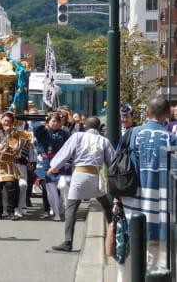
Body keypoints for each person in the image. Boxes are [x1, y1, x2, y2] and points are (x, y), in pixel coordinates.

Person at [117, 97, 177, 282]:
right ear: (168, 115)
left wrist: (116, 200)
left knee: (128, 256)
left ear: (147, 113)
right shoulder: (172, 140)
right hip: (162, 212)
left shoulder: (131, 134)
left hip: (131, 206)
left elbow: (118, 169)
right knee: (157, 261)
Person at [49, 116, 115, 252]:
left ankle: (68, 241)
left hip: (80, 175)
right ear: (99, 128)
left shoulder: (78, 136)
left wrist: (54, 167)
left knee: (72, 208)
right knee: (106, 206)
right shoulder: (104, 140)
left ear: (85, 127)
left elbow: (65, 153)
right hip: (96, 176)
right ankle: (114, 232)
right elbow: (112, 162)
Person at [0, 112, 32, 220]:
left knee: (10, 185)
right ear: (0, 120)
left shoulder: (15, 132)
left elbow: (19, 145)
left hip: (8, 163)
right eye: (5, 120)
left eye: (9, 122)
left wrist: (9, 135)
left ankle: (10, 210)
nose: (7, 123)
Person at [33, 112, 70, 221]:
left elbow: (69, 147)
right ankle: (56, 213)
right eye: (52, 121)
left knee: (63, 185)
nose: (55, 123)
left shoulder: (64, 132)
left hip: (59, 162)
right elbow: (35, 128)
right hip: (45, 163)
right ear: (48, 122)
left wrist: (66, 162)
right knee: (51, 190)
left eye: (57, 121)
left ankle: (67, 208)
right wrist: (44, 121)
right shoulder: (43, 131)